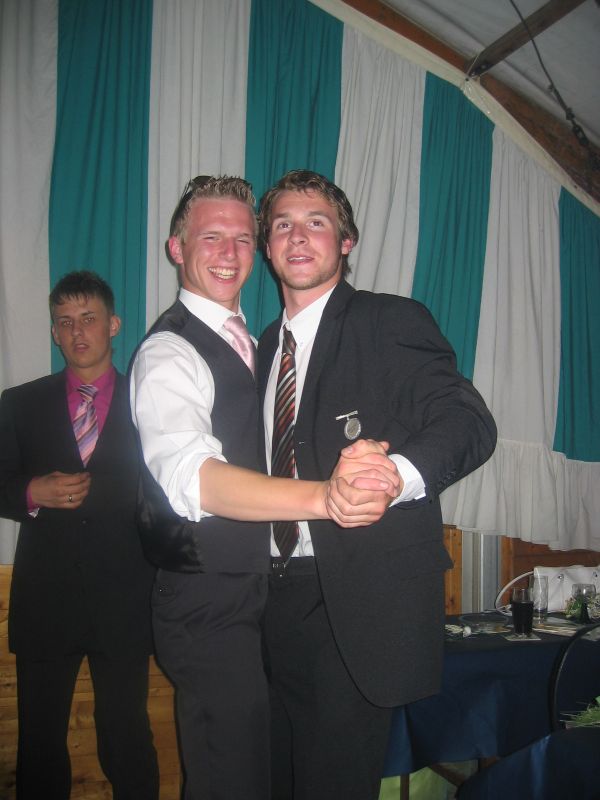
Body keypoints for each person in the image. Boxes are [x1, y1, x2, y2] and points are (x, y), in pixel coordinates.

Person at [129, 175, 396, 800]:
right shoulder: (168, 353)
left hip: (265, 599)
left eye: (242, 238)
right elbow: (194, 479)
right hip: (206, 599)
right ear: (176, 248)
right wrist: (323, 497)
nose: (229, 253)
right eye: (210, 237)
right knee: (232, 780)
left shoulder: (261, 343)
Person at [257, 169, 498, 800]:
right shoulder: (262, 348)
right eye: (283, 224)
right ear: (267, 245)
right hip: (265, 602)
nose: (298, 236)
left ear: (346, 242)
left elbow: (468, 421)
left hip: (351, 602)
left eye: (316, 223)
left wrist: (398, 476)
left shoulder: (389, 320)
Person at [0, 271, 158, 800]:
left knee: (128, 738)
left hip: (126, 602)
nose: (76, 331)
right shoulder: (19, 403)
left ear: (113, 325)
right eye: (64, 322)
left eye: (88, 318)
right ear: (54, 332)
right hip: (46, 603)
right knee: (40, 744)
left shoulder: (150, 403)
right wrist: (30, 491)